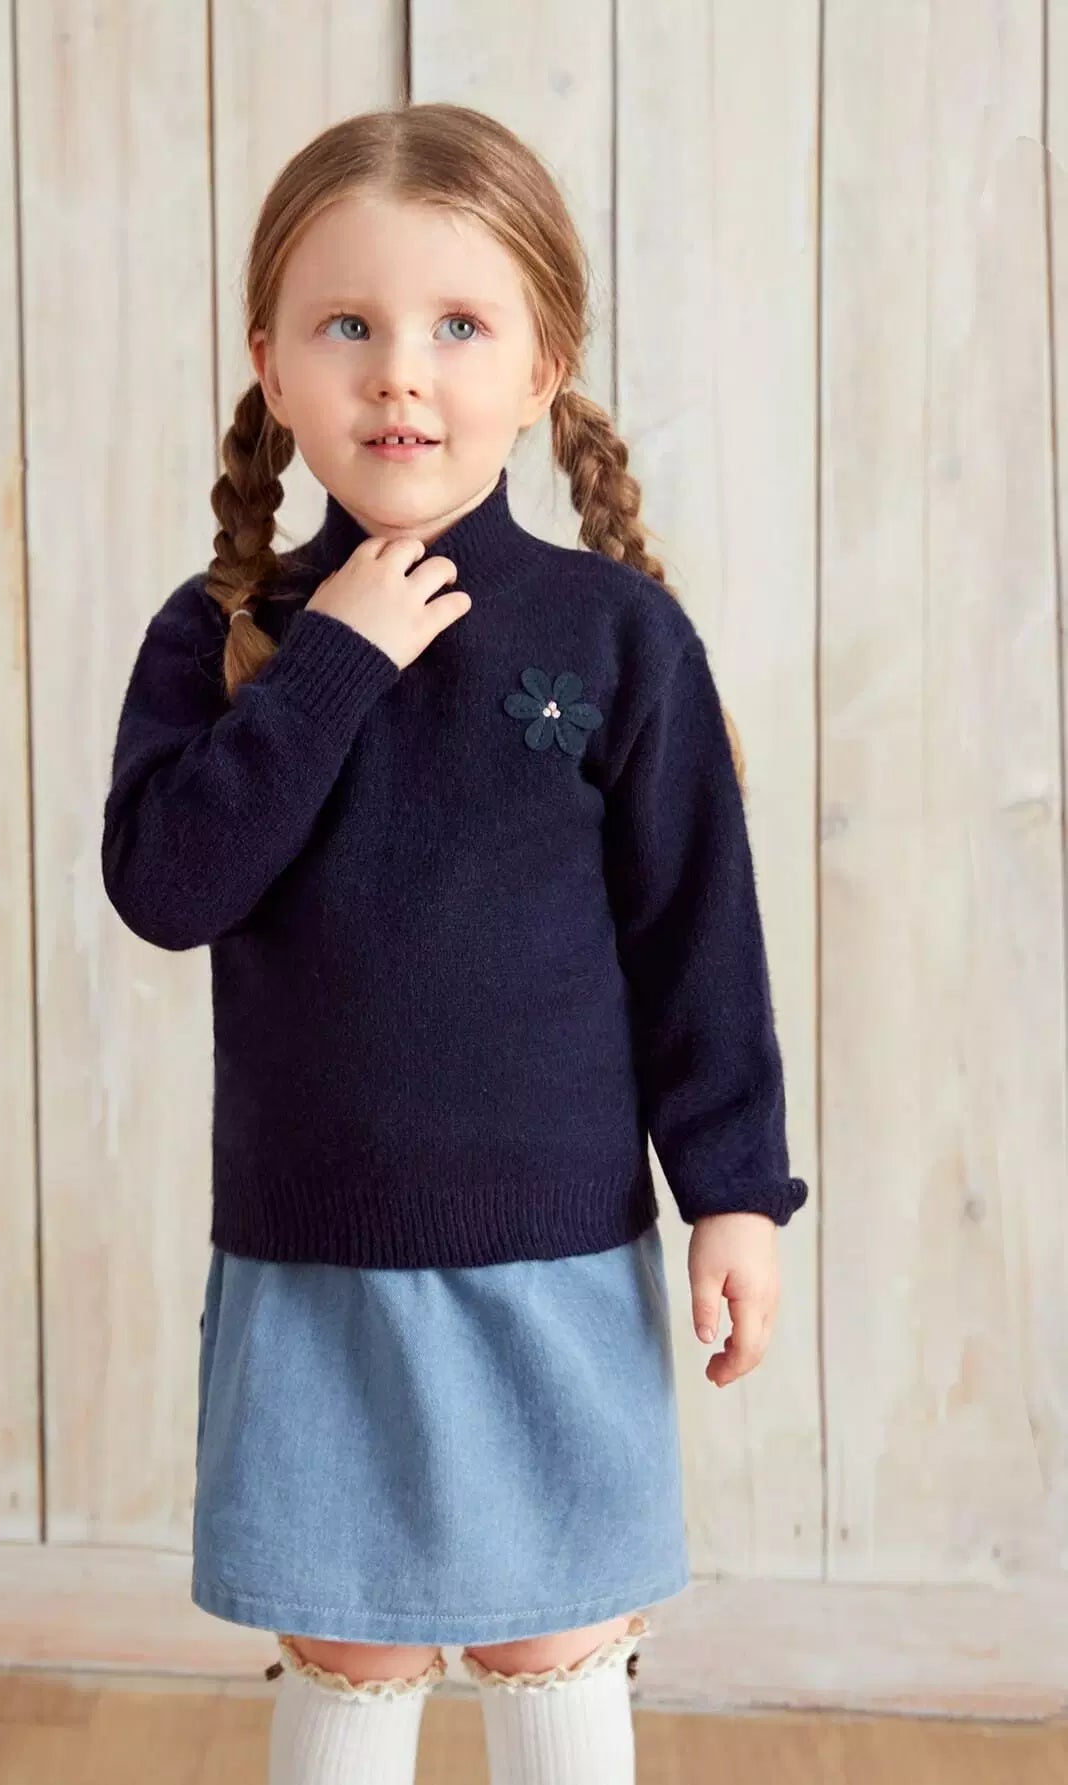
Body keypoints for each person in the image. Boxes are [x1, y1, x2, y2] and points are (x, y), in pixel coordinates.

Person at [101, 101, 809, 1785]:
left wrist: (733, 1190)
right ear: (272, 367)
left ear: (543, 365)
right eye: (348, 326)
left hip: (553, 1258)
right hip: (313, 1257)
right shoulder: (226, 637)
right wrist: (333, 662)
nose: (400, 377)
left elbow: (699, 939)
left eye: (459, 327)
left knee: (553, 1635)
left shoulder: (617, 637)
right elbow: (168, 886)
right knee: (352, 1644)